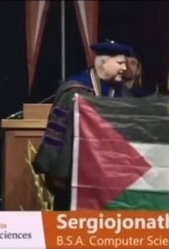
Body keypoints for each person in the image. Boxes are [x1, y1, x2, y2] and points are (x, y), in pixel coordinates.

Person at [33, 40, 133, 210]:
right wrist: (59, 174)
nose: (124, 68)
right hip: (73, 173)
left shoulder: (119, 92)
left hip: (106, 176)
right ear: (103, 63)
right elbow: (59, 133)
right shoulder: (76, 90)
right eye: (120, 63)